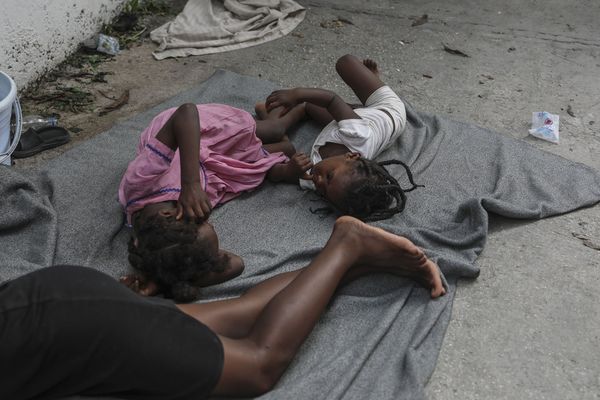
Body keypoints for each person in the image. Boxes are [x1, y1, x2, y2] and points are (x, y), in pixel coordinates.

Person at [0, 217, 445, 400]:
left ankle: (348, 243)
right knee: (241, 311)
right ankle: (350, 261)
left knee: (257, 364)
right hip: (55, 293)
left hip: (71, 334)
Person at [118, 102, 310, 301]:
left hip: (190, 134)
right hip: (209, 165)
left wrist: (190, 184)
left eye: (199, 221)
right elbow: (237, 264)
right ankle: (268, 142)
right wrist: (168, 281)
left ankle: (301, 106)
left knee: (274, 129)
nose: (208, 220)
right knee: (276, 155)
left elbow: (186, 112)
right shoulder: (162, 249)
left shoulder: (141, 179)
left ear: (168, 214)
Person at [262, 54, 422, 222]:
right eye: (329, 176)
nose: (319, 181)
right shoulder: (357, 136)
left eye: (323, 192)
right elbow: (331, 99)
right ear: (352, 156)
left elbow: (273, 173)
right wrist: (296, 94)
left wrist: (289, 171)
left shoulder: (313, 179)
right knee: (345, 63)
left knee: (308, 108)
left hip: (347, 123)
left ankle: (353, 107)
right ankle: (371, 82)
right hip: (387, 111)